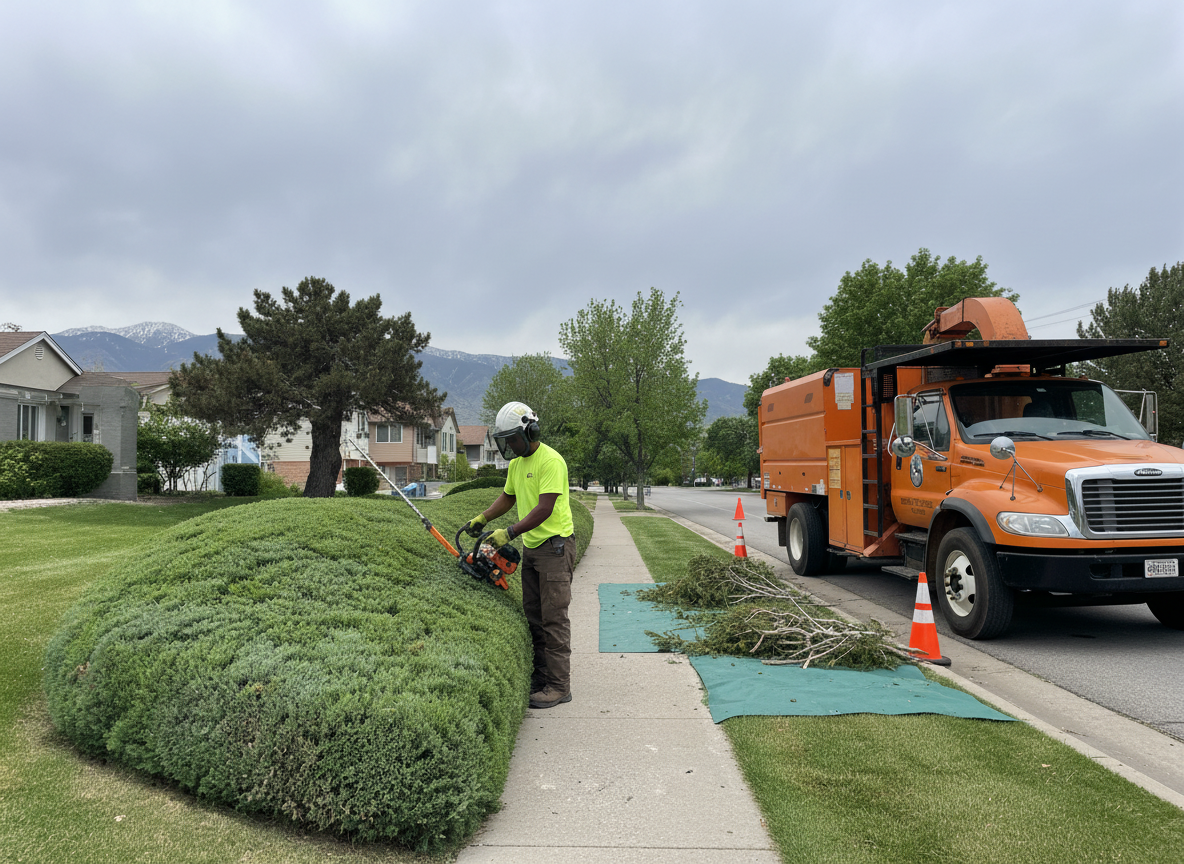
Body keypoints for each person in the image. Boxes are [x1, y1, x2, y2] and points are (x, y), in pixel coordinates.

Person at [462, 402, 576, 709]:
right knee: (535, 617)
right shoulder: (516, 465)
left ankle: (559, 686)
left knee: (554, 619)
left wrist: (509, 532)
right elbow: (507, 497)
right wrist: (482, 519)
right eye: (506, 440)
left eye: (513, 438)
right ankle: (542, 678)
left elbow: (544, 508)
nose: (509, 445)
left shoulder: (551, 461)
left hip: (555, 546)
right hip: (534, 548)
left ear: (531, 431)